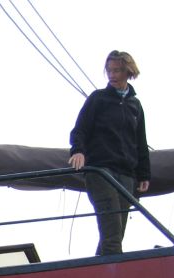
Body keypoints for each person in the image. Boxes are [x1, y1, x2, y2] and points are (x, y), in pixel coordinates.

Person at [69, 50, 150, 255]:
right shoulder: (98, 98)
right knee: (112, 233)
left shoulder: (135, 105)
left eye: (117, 71)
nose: (112, 75)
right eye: (109, 70)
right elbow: (80, 129)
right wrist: (78, 151)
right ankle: (115, 272)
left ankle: (98, 270)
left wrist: (144, 174)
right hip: (101, 171)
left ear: (128, 72)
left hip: (127, 174)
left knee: (115, 233)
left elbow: (140, 142)